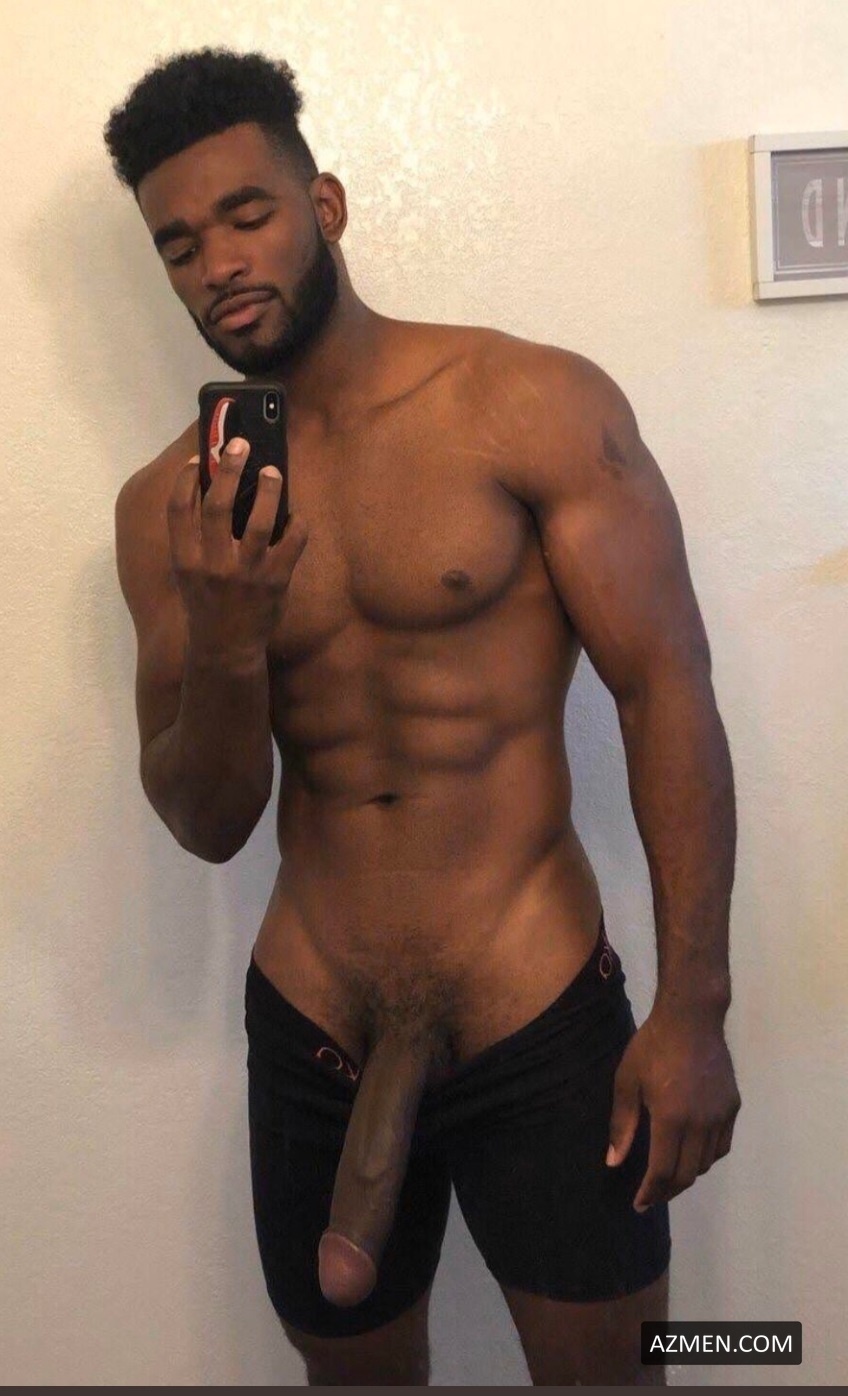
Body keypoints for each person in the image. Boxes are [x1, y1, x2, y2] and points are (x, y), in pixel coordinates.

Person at [106, 47, 741, 1387]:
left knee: (625, 1367)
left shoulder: (529, 404)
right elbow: (212, 822)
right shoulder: (169, 509)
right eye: (179, 245)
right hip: (313, 1020)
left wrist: (695, 1006)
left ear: (324, 204)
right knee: (351, 1377)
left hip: (537, 1003)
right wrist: (227, 637)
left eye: (246, 214)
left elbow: (665, 691)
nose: (218, 263)